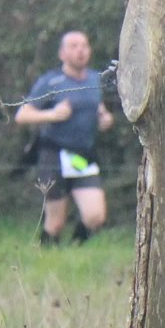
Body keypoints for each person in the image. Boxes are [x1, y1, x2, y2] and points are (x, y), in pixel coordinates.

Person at [16, 30, 115, 245]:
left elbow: (97, 106)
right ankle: (45, 254)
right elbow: (22, 115)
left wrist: (104, 117)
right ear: (62, 53)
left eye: (84, 46)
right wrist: (52, 114)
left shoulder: (95, 79)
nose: (80, 51)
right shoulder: (51, 81)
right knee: (56, 223)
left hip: (81, 156)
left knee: (95, 217)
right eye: (74, 46)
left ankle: (76, 249)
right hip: (54, 154)